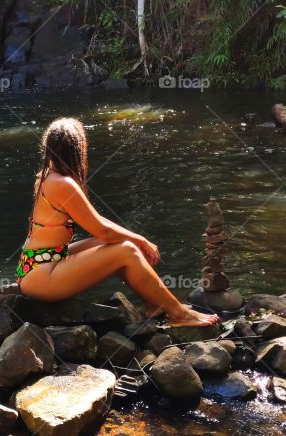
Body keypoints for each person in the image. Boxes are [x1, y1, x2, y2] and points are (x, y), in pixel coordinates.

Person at [15, 117, 218, 328]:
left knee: (112, 245)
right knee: (125, 250)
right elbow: (104, 231)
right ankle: (179, 314)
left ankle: (153, 305)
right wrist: (140, 240)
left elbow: (100, 226)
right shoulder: (63, 184)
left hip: (35, 264)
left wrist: (136, 239)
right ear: (77, 149)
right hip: (41, 277)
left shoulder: (48, 175)